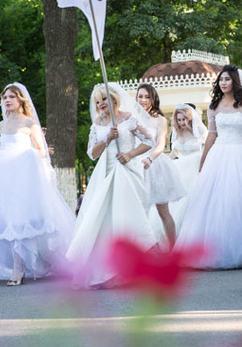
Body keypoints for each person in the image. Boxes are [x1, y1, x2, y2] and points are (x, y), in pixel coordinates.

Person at [0, 83, 76, 286]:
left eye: (12, 96)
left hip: (24, 177)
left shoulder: (30, 123)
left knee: (22, 221)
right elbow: (4, 149)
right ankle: (17, 265)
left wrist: (27, 157)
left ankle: (23, 267)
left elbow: (41, 151)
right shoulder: (2, 125)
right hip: (7, 178)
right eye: (5, 97)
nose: (7, 100)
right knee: (9, 219)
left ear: (21, 99)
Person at [174, 65, 242, 270]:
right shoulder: (214, 105)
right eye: (221, 80)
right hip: (218, 154)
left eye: (227, 79)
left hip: (239, 155)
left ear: (235, 81)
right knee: (212, 203)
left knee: (236, 201)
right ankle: (212, 250)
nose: (223, 83)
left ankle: (241, 248)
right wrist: (204, 158)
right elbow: (211, 134)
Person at [66, 83, 157, 288]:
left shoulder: (128, 119)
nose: (101, 104)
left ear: (113, 98)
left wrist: (129, 155)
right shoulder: (97, 124)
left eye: (104, 99)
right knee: (100, 219)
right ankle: (100, 270)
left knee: (123, 219)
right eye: (98, 102)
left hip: (125, 173)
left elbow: (149, 142)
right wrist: (107, 138)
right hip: (104, 175)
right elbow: (92, 154)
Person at [136, 84, 186, 249]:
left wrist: (150, 158)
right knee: (139, 211)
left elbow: (160, 145)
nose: (143, 100)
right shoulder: (132, 117)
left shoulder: (160, 119)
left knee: (162, 211)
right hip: (135, 165)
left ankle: (173, 250)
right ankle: (143, 250)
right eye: (140, 96)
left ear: (153, 99)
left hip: (155, 164)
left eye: (147, 96)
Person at [169, 104, 207, 232]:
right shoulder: (177, 131)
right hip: (181, 167)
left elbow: (207, 149)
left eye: (184, 119)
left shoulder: (200, 131)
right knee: (177, 201)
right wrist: (165, 162)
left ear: (190, 118)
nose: (181, 122)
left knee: (191, 199)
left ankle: (192, 229)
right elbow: (174, 152)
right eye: (179, 120)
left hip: (195, 166)